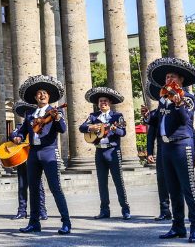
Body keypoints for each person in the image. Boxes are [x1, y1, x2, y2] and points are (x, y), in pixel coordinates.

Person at [147, 57, 195, 243]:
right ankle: (178, 226)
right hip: (166, 147)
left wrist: (178, 104)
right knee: (173, 190)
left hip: (181, 145)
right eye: (166, 77)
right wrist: (148, 117)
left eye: (171, 77)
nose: (167, 80)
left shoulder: (188, 98)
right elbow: (157, 121)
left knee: (188, 188)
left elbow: (185, 120)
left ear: (180, 80)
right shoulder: (163, 99)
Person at [12, 75, 71, 235]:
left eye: (45, 93)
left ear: (49, 96)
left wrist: (58, 119)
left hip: (48, 152)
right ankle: (34, 223)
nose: (42, 95)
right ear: (35, 97)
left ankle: (66, 222)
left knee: (55, 187)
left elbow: (63, 129)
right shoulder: (30, 115)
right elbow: (20, 131)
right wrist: (16, 137)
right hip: (33, 153)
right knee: (33, 189)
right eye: (39, 93)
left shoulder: (55, 111)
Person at [79, 86, 130, 220]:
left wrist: (113, 129)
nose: (103, 103)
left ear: (110, 103)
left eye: (106, 101)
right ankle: (104, 210)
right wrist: (92, 127)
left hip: (112, 151)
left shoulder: (117, 116)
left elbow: (122, 132)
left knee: (118, 181)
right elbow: (81, 127)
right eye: (101, 101)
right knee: (102, 182)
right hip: (99, 152)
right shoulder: (93, 116)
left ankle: (125, 209)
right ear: (98, 103)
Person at [9, 100, 47, 221]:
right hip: (21, 160)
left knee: (38, 186)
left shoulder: (39, 124)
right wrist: (16, 137)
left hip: (34, 158)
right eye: (25, 113)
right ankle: (22, 211)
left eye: (28, 112)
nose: (27, 114)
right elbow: (13, 134)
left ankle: (42, 210)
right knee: (22, 186)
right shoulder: (19, 127)